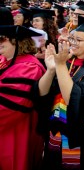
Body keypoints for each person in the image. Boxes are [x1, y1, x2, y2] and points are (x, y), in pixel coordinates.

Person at [34, 16, 84, 170]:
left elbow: (77, 101)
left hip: (79, 137)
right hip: (55, 131)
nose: (73, 42)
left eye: (78, 40)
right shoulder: (67, 62)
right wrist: (51, 69)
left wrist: (60, 65)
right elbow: (41, 93)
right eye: (72, 38)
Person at [0, 25, 46, 170]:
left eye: (2, 39)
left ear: (17, 42)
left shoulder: (28, 67)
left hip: (15, 131)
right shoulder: (7, 60)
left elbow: (9, 108)